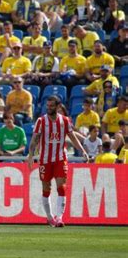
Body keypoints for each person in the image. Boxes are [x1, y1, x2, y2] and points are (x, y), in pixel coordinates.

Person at [27, 96, 89, 228]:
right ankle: (49, 217)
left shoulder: (65, 121)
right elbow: (34, 139)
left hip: (60, 158)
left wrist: (82, 150)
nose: (48, 108)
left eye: (51, 106)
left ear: (58, 106)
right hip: (45, 159)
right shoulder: (41, 121)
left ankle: (59, 217)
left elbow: (72, 137)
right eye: (47, 106)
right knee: (46, 188)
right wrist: (30, 155)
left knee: (61, 187)